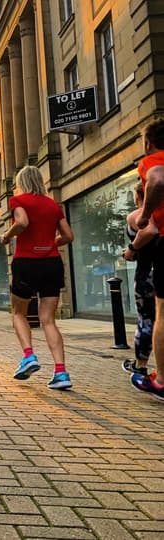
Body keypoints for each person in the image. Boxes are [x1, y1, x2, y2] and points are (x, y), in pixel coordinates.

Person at [0, 165, 74, 389]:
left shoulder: (18, 201)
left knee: (18, 313)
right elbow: (68, 235)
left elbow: (22, 222)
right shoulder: (52, 204)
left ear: (22, 182)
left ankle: (29, 356)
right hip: (51, 264)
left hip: (26, 263)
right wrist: (51, 244)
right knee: (48, 320)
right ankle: (61, 373)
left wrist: (6, 235)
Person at [132, 118, 164, 400]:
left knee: (159, 314)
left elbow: (157, 178)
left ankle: (161, 380)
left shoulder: (152, 160)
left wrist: (144, 215)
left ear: (148, 142)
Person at [122, 182, 158, 376]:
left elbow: (149, 231)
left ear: (138, 195)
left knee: (146, 319)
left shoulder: (138, 215)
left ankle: (140, 365)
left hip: (148, 273)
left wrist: (132, 249)